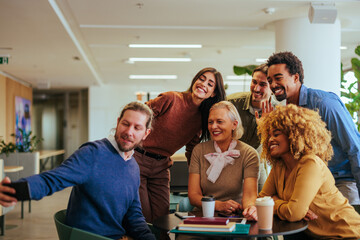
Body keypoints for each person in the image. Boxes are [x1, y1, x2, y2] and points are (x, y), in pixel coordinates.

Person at [0, 102, 156, 240]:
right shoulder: (94, 153)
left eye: (137, 128)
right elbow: (54, 178)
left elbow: (134, 214)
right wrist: (14, 190)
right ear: (118, 122)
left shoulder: (133, 167)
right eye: (125, 124)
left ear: (146, 133)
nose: (129, 131)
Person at [266, 51, 360, 205]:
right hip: (310, 182)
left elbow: (355, 148)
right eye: (270, 80)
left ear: (296, 78)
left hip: (340, 182)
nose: (273, 85)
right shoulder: (286, 113)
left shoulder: (324, 104)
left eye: (278, 78)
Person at [134, 67, 226, 222]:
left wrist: (198, 177)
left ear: (214, 93)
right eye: (201, 78)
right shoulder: (171, 98)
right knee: (144, 215)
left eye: (210, 84)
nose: (203, 84)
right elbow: (140, 115)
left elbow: (191, 149)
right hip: (138, 160)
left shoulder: (201, 119)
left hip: (162, 166)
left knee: (162, 217)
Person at [258, 104, 360, 239]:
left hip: (346, 234)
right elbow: (261, 200)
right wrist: (287, 206)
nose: (270, 139)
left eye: (276, 134)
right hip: (314, 236)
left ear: (293, 134)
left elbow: (293, 213)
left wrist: (275, 202)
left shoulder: (310, 163)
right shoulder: (279, 165)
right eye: (269, 135)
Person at [188, 101, 259, 221]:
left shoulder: (249, 154)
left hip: (236, 216)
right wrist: (218, 205)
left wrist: (250, 209)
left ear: (234, 124)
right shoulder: (199, 150)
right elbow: (194, 196)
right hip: (205, 215)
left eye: (219, 121)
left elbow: (250, 196)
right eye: (210, 122)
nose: (213, 126)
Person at [227, 64, 279, 191]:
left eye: (263, 85)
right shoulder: (233, 103)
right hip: (229, 159)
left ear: (272, 88)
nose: (256, 88)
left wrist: (264, 128)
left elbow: (274, 148)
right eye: (254, 82)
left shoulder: (277, 112)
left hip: (256, 163)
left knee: (261, 198)